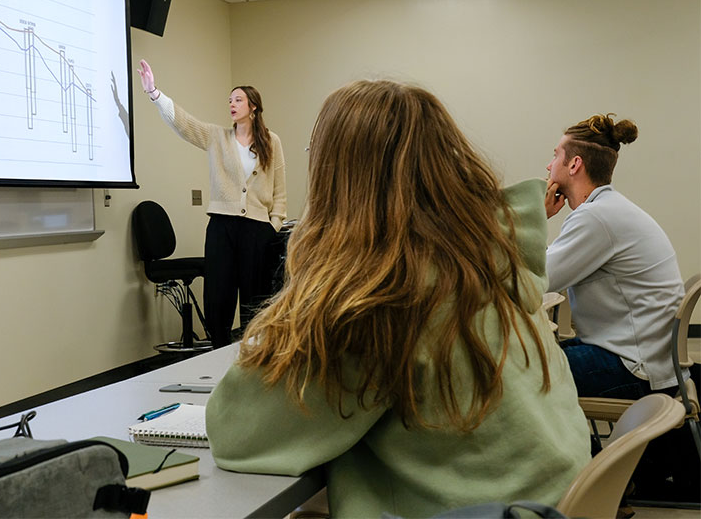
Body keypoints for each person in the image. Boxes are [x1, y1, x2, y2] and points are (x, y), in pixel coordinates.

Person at [205, 80, 590, 518]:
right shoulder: (488, 261)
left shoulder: (381, 298)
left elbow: (236, 433)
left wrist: (309, 282)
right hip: (546, 501)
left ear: (342, 185)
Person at [137, 60, 286, 348]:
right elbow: (184, 123)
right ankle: (217, 355)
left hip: (258, 230)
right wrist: (155, 93)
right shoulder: (218, 137)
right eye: (230, 100)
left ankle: (253, 359)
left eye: (238, 99)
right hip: (221, 226)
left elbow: (280, 189)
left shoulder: (272, 141)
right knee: (218, 296)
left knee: (255, 300)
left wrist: (274, 224)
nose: (232, 104)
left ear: (253, 107)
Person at [544, 113, 685, 399]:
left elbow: (533, 279)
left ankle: (574, 446)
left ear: (574, 164)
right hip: (646, 358)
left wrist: (535, 217)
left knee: (518, 375)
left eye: (556, 155)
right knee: (533, 359)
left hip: (634, 367)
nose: (549, 166)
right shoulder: (606, 209)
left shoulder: (596, 217)